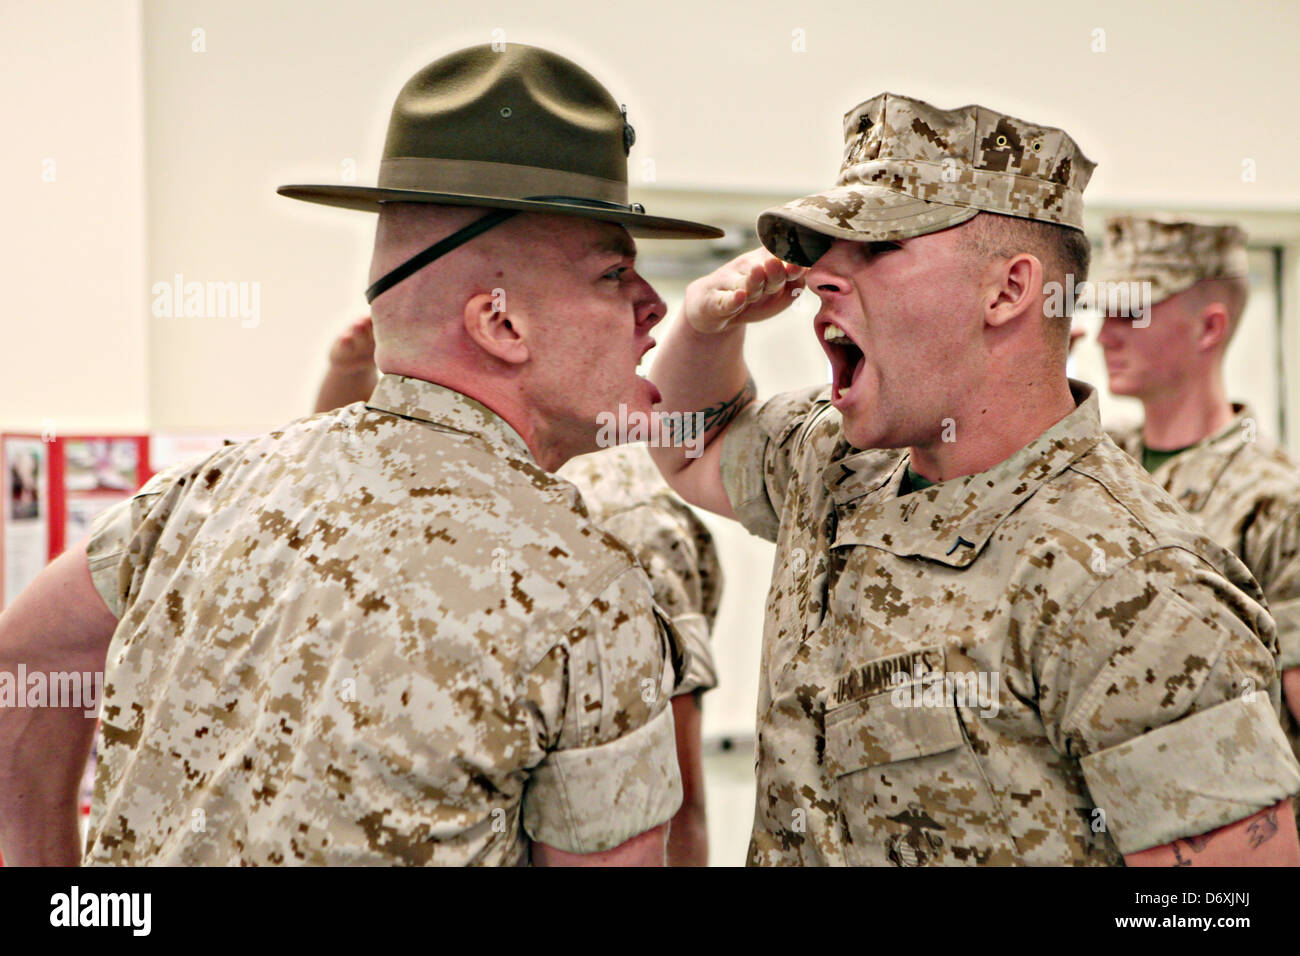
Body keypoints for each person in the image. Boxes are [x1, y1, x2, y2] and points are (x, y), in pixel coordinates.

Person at [0, 43, 723, 866]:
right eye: (613, 273)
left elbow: (22, 659)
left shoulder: (198, 499)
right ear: (501, 324)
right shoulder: (586, 589)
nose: (651, 305)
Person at [647, 91, 1300, 865]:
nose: (821, 277)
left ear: (1008, 290)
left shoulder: (1132, 586)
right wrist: (702, 326)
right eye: (823, 252)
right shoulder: (839, 463)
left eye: (880, 250)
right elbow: (690, 447)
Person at [314, 318, 724, 866]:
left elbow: (669, 801)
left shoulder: (629, 523)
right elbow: (349, 477)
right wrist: (349, 371)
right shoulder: (463, 479)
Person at [1095, 215, 1300, 772]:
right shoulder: (1096, 464)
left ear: (1208, 329)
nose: (1104, 333)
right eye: (1105, 310)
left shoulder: (1274, 503)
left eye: (1130, 313)